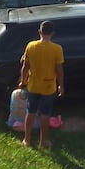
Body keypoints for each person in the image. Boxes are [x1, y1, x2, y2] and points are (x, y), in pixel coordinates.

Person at [19, 20, 64, 149]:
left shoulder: (30, 46)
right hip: (48, 87)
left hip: (33, 85)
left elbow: (25, 67)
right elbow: (59, 70)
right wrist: (61, 85)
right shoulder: (57, 49)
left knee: (30, 111)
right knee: (45, 114)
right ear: (53, 33)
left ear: (39, 32)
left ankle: (27, 139)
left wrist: (23, 80)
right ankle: (43, 141)